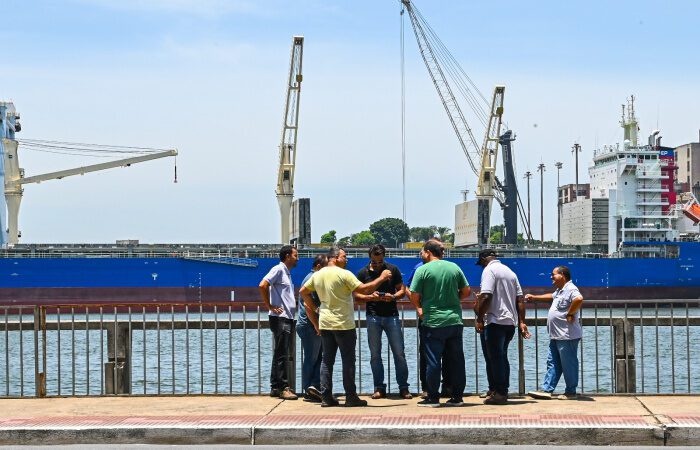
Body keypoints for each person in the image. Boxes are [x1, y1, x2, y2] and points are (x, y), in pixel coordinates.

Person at [299, 247, 392, 407]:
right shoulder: (344, 274)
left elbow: (303, 291)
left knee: (327, 361)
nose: (347, 259)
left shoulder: (318, 274)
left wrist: (315, 308)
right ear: (335, 258)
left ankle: (326, 397)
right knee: (348, 361)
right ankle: (351, 397)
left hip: (325, 323)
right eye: (344, 256)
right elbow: (364, 289)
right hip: (343, 324)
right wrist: (382, 278)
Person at [409, 239, 471, 407]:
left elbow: (414, 295)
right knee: (457, 361)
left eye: (422, 252)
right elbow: (466, 291)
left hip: (433, 322)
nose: (421, 254)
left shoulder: (422, 270)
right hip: (454, 321)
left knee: (433, 361)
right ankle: (457, 397)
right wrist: (453, 300)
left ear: (428, 252)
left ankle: (433, 397)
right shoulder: (454, 267)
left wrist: (419, 308)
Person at [355, 244, 411, 399]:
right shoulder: (362, 273)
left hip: (391, 316)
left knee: (399, 353)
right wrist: (370, 297)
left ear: (384, 257)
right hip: (372, 316)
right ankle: (379, 387)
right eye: (374, 262)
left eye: (380, 262)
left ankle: (403, 387)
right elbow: (357, 296)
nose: (378, 265)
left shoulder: (393, 270)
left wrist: (392, 297)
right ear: (370, 258)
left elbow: (402, 290)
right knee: (375, 355)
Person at [474, 249, 530, 405]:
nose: (481, 267)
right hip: (509, 323)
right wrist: (521, 321)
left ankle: (500, 393)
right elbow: (520, 299)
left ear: (484, 259)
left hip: (494, 321)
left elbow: (486, 295)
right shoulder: (510, 272)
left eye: (481, 263)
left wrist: (479, 318)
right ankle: (496, 389)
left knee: (495, 358)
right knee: (500, 357)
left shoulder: (489, 271)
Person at [526, 265, 584, 400]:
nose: (551, 277)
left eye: (554, 274)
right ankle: (547, 389)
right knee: (553, 362)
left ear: (562, 275)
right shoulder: (560, 290)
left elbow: (579, 299)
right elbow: (551, 297)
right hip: (556, 335)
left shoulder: (571, 288)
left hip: (567, 335)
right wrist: (534, 297)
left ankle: (571, 392)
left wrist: (570, 313)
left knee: (568, 364)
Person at [406, 242, 451, 399]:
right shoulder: (419, 268)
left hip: (440, 318)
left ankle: (447, 386)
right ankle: (427, 388)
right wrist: (418, 307)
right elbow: (410, 289)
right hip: (430, 318)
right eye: (441, 249)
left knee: (447, 355)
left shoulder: (448, 266)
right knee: (427, 354)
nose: (443, 251)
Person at [258, 245, 299, 400]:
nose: (298, 258)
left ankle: (275, 387)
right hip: (280, 318)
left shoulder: (286, 273)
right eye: (296, 255)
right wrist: (269, 306)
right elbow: (263, 285)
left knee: (280, 353)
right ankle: (283, 387)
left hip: (286, 317)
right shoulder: (278, 269)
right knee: (281, 354)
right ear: (287, 256)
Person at [296, 254, 328, 402]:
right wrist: (316, 325)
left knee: (318, 357)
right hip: (310, 325)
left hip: (311, 324)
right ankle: (308, 389)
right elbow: (309, 306)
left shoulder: (311, 277)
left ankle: (313, 388)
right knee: (311, 358)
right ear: (319, 266)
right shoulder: (312, 279)